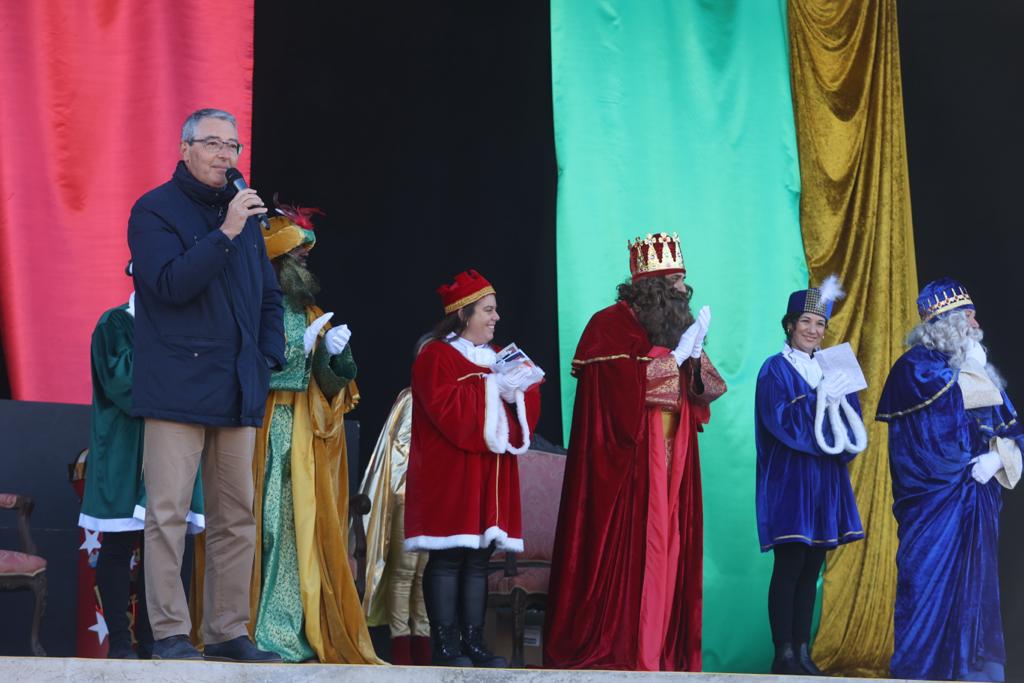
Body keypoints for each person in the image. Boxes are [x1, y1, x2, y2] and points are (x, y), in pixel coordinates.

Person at [127, 108, 284, 662]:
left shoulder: (243, 216)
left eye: (233, 146)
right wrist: (226, 233)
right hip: (176, 385)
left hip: (237, 385)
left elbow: (269, 297)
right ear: (185, 148)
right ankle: (170, 632)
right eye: (213, 143)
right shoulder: (154, 210)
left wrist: (267, 357)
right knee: (168, 514)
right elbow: (170, 285)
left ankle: (226, 631)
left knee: (236, 517)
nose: (225, 155)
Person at [544, 232, 725, 671]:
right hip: (628, 468)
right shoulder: (608, 325)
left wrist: (692, 355)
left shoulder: (676, 327)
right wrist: (673, 359)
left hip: (674, 461)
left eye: (683, 279)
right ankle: (626, 647)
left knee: (670, 546)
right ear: (653, 287)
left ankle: (661, 648)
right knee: (634, 553)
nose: (684, 289)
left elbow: (708, 391)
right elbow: (618, 394)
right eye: (676, 281)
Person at [247, 205, 379, 663]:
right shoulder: (254, 308)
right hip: (266, 434)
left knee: (299, 531)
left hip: (304, 440)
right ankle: (258, 628)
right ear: (277, 260)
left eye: (306, 255)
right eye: (297, 255)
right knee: (267, 527)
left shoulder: (312, 313)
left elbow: (329, 386)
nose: (305, 262)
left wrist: (331, 357)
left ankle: (294, 629)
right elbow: (249, 373)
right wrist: (297, 354)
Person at [877, 278, 1021, 682]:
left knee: (977, 590)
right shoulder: (914, 369)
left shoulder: (974, 367)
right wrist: (971, 371)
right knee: (926, 589)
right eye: (968, 316)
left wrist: (996, 458)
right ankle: (921, 674)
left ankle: (976, 674)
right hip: (933, 505)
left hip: (976, 502)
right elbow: (938, 434)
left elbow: (1012, 430)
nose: (976, 323)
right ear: (945, 323)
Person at [404, 269, 542, 668]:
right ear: (463, 314)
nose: (496, 317)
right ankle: (446, 645)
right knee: (449, 557)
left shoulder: (499, 356)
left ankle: (474, 642)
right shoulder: (435, 356)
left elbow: (527, 407)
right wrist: (494, 388)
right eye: (488, 310)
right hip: (451, 474)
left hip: (490, 474)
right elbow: (446, 410)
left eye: (495, 310)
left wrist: (520, 389)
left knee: (480, 558)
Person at [78, 263, 206, 659]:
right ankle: (120, 643)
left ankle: (159, 641)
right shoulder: (114, 324)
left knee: (169, 545)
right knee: (119, 544)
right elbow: (122, 383)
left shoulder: (181, 329)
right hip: (126, 451)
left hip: (174, 447)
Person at [754, 277, 866, 675]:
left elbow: (850, 432)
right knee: (790, 566)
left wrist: (840, 401)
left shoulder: (833, 367)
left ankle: (803, 652)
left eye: (820, 323)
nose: (813, 330)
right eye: (806, 321)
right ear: (789, 324)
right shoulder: (774, 369)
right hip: (791, 481)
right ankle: (783, 653)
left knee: (812, 567)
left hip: (824, 482)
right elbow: (780, 423)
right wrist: (819, 398)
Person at [359, 384, 431, 665]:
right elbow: (401, 453)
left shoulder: (437, 396)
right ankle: (401, 647)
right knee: (404, 572)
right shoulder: (413, 398)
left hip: (428, 498)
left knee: (421, 575)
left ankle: (422, 644)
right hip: (408, 495)